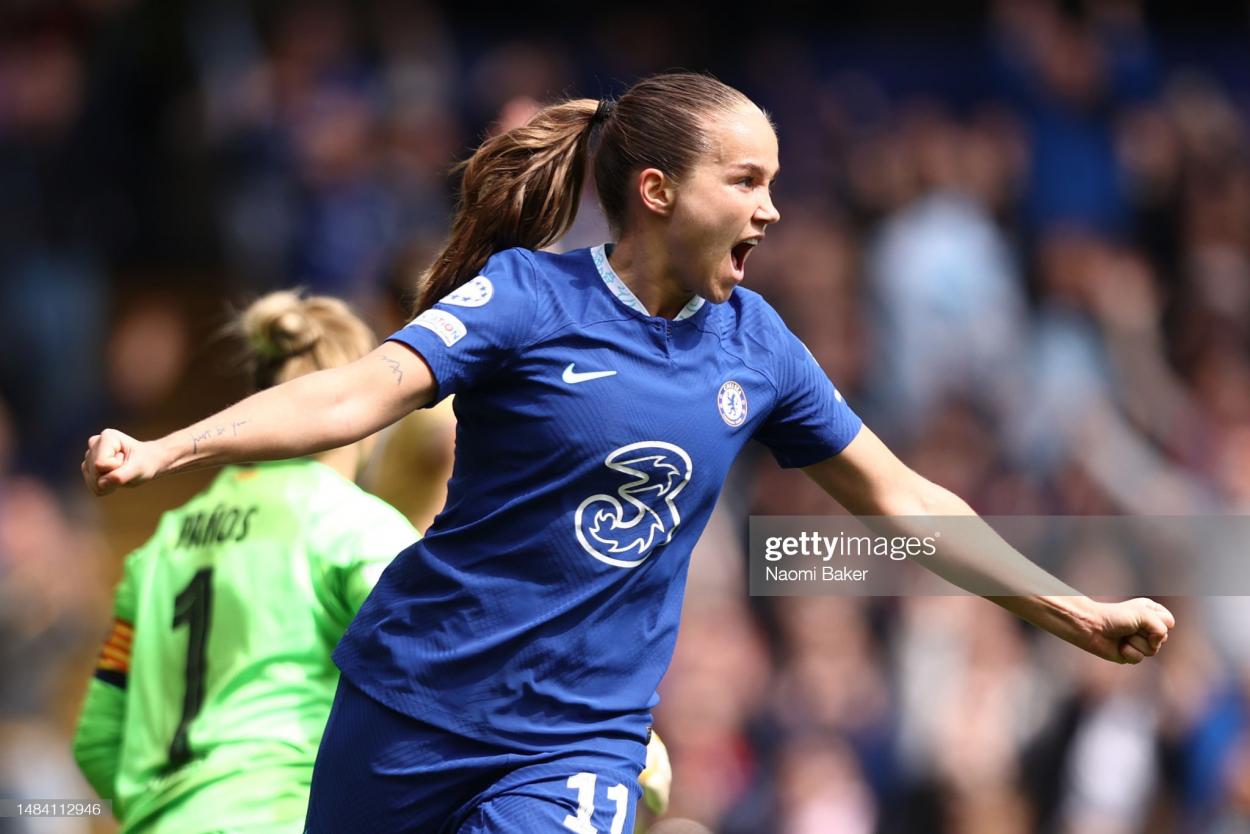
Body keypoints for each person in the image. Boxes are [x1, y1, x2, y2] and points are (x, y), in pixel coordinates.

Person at [82, 72, 1173, 833]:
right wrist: (172, 447)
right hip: (411, 702)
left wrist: (1067, 608)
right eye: (745, 182)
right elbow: (360, 395)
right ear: (656, 192)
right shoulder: (526, 297)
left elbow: (900, 497)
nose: (773, 208)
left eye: (774, 181)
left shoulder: (759, 347)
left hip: (575, 743)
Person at [71, 291, 420, 832]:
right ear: (362, 417)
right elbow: (429, 682)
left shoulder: (160, 544)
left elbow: (97, 739)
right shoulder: (355, 527)